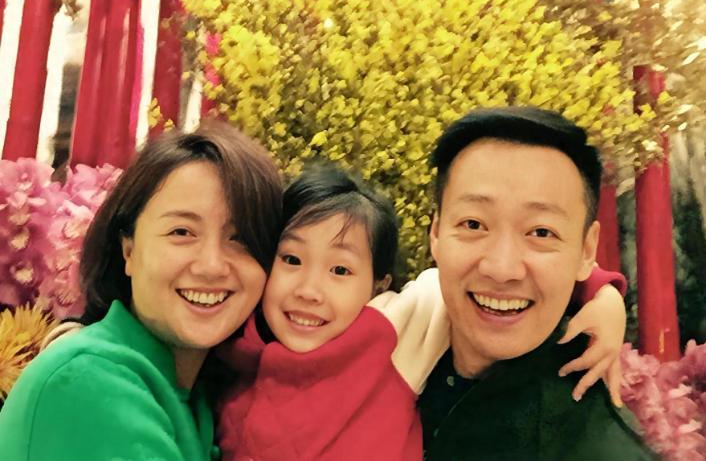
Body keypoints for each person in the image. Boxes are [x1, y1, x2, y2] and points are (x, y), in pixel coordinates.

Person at [216, 163, 629, 461]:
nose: (308, 291)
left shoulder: (393, 330)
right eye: (291, 260)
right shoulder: (230, 346)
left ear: (378, 285)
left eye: (340, 270)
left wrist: (603, 295)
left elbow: (504, 282)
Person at [0, 122, 283, 461]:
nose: (211, 265)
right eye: (181, 232)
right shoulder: (88, 382)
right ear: (129, 251)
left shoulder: (198, 398)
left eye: (240, 238)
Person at [418, 107, 654, 460]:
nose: (502, 269)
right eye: (473, 224)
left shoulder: (600, 448)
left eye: (541, 232)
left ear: (586, 251)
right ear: (436, 233)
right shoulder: (397, 344)